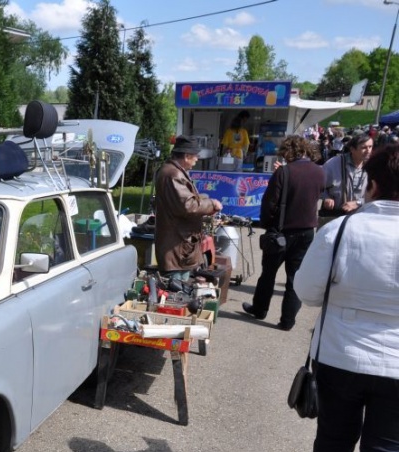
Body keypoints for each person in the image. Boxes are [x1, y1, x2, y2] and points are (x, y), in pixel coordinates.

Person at [294, 144, 399, 452]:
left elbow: (307, 291)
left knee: (335, 437)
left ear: (371, 184)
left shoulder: (341, 231)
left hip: (341, 356)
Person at [242, 135, 324, 331]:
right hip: (306, 232)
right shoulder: (319, 172)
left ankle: (260, 309)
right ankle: (287, 321)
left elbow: (269, 203)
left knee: (268, 274)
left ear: (289, 151)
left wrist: (267, 224)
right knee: (294, 278)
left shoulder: (284, 172)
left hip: (281, 231)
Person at [153, 135, 222, 280]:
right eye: (195, 156)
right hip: (176, 248)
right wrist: (211, 204)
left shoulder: (174, 172)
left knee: (180, 290)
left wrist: (204, 199)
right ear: (186, 156)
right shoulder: (173, 174)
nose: (197, 159)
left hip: (179, 245)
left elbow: (185, 200)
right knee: (177, 292)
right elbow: (188, 206)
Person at [318, 132, 372, 228]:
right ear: (352, 149)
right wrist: (325, 197)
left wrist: (358, 203)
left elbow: (379, 195)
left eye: (370, 147)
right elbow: (317, 185)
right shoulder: (333, 164)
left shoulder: (374, 166)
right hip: (335, 218)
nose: (368, 151)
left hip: (362, 219)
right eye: (364, 148)